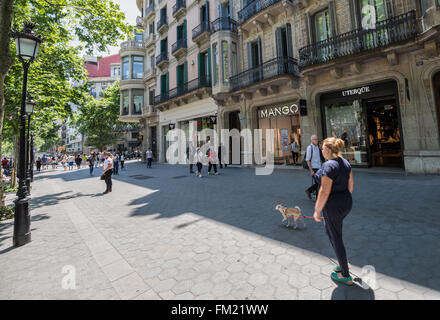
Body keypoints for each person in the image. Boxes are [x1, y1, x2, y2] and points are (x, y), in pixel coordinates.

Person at [313, 137, 354, 285]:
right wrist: (345, 199)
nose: (321, 150)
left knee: (336, 237)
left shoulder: (328, 165)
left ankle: (345, 274)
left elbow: (324, 191)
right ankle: (343, 261)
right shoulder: (345, 162)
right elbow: (351, 183)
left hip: (333, 206)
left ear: (328, 150)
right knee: (331, 232)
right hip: (345, 202)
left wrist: (317, 211)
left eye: (323, 148)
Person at [305, 135, 323, 200]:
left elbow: (319, 158)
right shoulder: (310, 148)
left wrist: (322, 166)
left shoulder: (317, 148)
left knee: (319, 183)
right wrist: (311, 170)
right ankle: (317, 197)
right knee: (319, 183)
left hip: (319, 168)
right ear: (311, 140)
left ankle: (309, 191)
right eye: (315, 139)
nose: (317, 140)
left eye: (317, 139)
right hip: (314, 168)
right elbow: (307, 160)